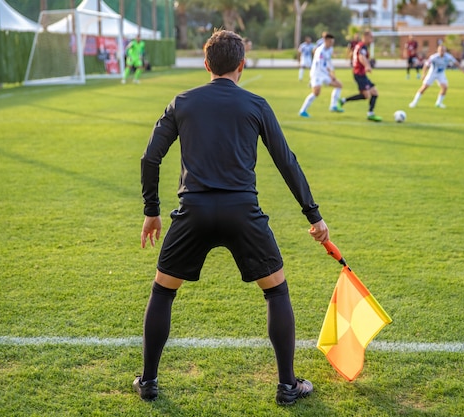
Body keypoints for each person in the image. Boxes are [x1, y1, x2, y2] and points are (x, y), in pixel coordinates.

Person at [135, 30, 330, 406]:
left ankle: (149, 382)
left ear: (206, 65)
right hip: (243, 212)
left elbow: (149, 158)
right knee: (276, 291)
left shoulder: (183, 102)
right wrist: (314, 216)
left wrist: (151, 211)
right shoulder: (256, 104)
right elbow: (286, 162)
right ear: (242, 65)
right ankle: (287, 387)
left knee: (163, 292)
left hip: (193, 212)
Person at [339, 30, 382, 122]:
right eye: (371, 37)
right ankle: (343, 101)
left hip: (360, 73)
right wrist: (367, 65)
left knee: (374, 93)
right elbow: (361, 57)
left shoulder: (360, 45)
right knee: (367, 95)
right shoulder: (362, 46)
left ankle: (370, 113)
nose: (372, 39)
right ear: (365, 36)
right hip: (359, 74)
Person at [299, 33, 343, 117]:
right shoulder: (320, 51)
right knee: (316, 93)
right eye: (330, 42)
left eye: (332, 42)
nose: (331, 44)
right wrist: (330, 74)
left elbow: (329, 61)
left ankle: (333, 106)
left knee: (339, 85)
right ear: (325, 41)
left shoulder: (330, 49)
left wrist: (332, 71)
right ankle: (302, 111)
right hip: (317, 74)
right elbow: (320, 65)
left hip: (325, 73)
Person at [408, 45, 464, 109]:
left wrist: (462, 69)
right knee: (424, 87)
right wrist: (424, 74)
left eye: (443, 50)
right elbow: (426, 65)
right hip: (432, 73)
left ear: (445, 51)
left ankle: (438, 103)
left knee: (445, 87)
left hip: (441, 74)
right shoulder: (434, 57)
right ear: (438, 51)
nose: (442, 52)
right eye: (440, 50)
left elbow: (456, 62)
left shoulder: (448, 57)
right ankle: (414, 102)